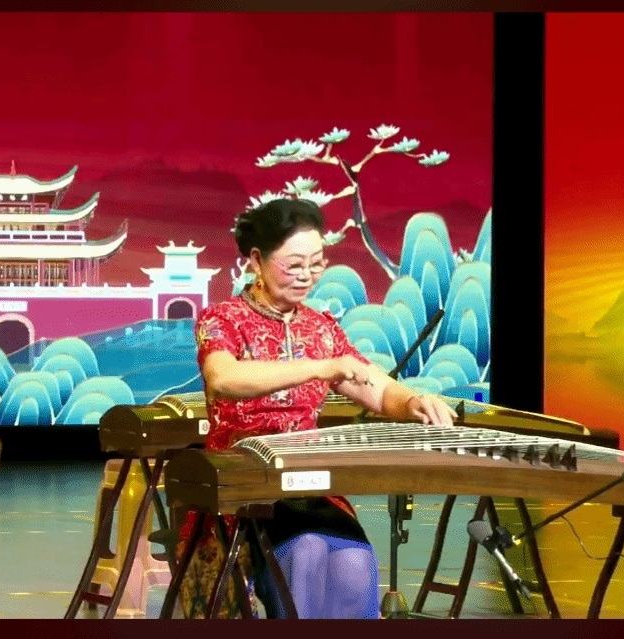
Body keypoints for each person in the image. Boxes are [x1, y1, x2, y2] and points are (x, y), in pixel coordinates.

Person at [175, 197, 457, 619]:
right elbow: (224, 378)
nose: (306, 275)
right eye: (293, 265)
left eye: (316, 263)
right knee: (304, 552)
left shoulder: (320, 327)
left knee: (353, 561)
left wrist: (415, 401)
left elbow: (376, 388)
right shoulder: (223, 319)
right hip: (243, 481)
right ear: (256, 260)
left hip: (307, 483)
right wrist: (318, 367)